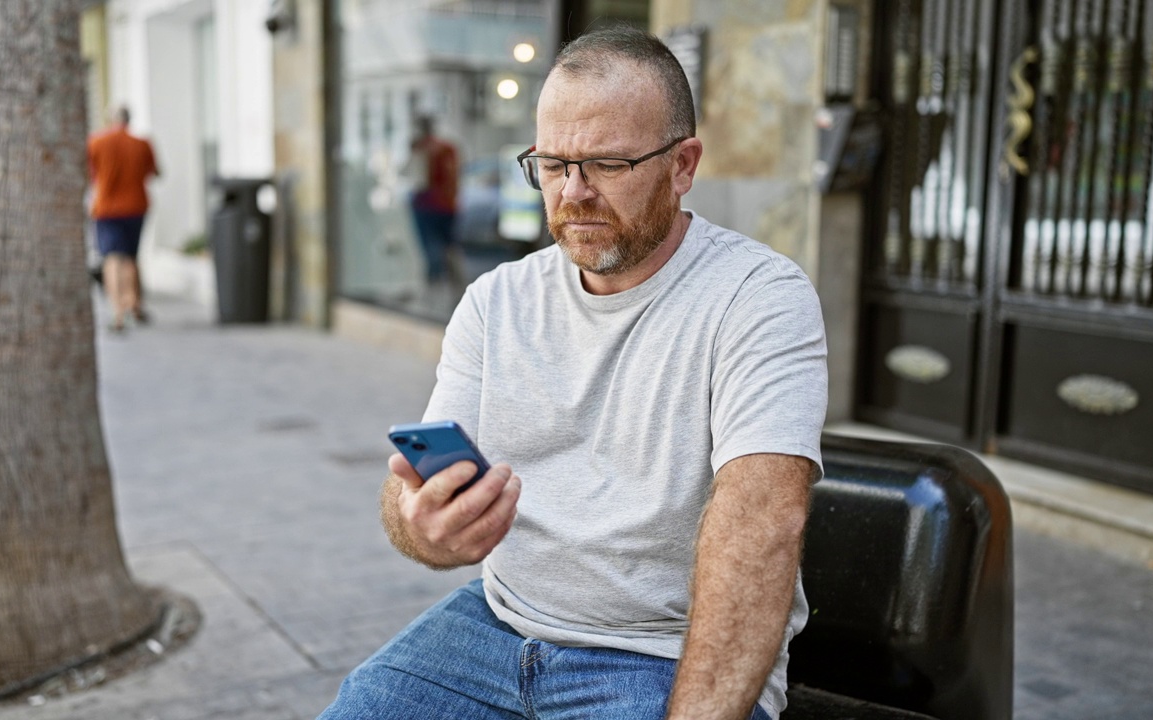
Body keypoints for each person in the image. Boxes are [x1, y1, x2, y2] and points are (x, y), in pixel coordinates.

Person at [321, 25, 827, 720]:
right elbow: (407, 492)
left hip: (659, 654)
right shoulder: (496, 301)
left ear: (683, 166)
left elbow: (764, 523)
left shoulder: (758, 297)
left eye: (608, 165)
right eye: (553, 164)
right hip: (496, 624)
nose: (573, 192)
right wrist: (420, 526)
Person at [87, 106, 159, 332]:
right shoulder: (142, 144)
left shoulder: (96, 143)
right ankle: (135, 306)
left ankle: (118, 313)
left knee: (111, 258)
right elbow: (155, 172)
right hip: (136, 206)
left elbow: (90, 174)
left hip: (106, 208)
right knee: (131, 256)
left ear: (111, 120)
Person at [407, 115, 461, 285]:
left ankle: (435, 281)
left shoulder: (422, 149)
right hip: (446, 204)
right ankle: (453, 281)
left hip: (428, 204)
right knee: (448, 245)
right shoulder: (447, 148)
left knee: (431, 246)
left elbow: (418, 179)